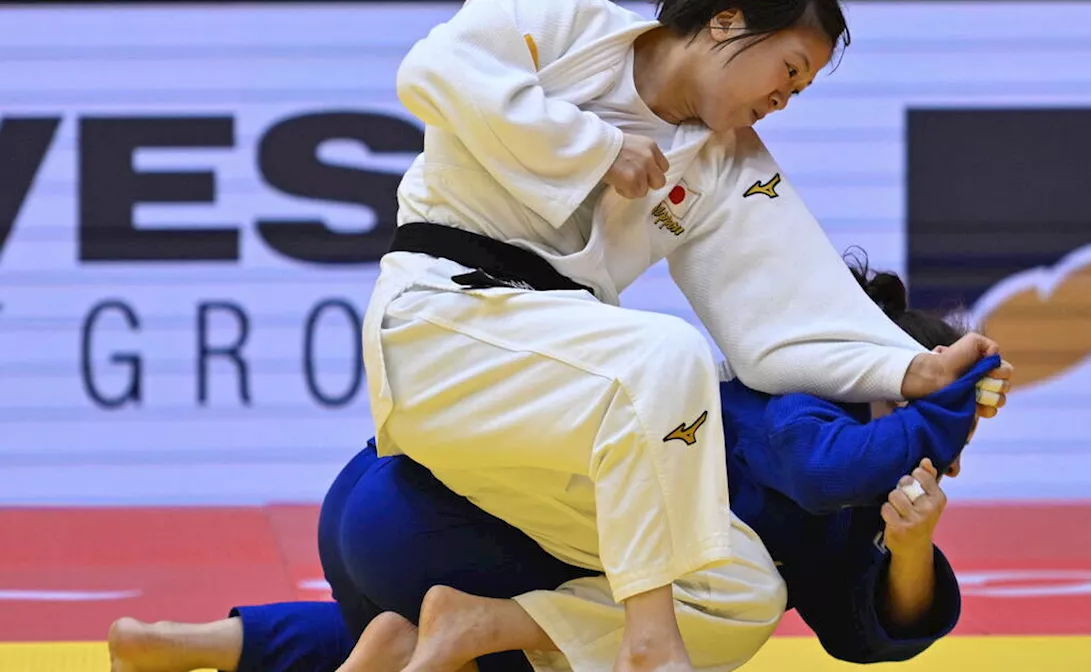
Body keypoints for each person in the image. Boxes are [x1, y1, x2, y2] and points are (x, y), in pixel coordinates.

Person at [365, 0, 1009, 667]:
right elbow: (433, 70)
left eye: (799, 90)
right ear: (727, 19)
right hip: (441, 324)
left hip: (546, 408)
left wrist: (917, 370)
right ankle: (651, 645)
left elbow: (791, 320)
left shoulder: (728, 165)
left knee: (740, 587)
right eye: (787, 70)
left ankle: (467, 629)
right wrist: (595, 147)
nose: (783, 98)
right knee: (671, 354)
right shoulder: (569, 26)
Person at [109, 264, 998, 672]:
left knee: (547, 631)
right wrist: (939, 414)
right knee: (726, 604)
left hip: (381, 503)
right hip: (444, 517)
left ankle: (208, 646)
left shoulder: (781, 400)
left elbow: (863, 630)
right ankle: (472, 628)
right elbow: (822, 488)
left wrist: (909, 544)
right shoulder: (800, 406)